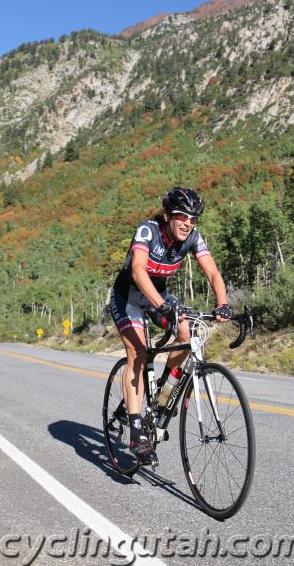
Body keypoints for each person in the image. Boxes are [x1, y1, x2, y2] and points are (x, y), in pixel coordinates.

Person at [110, 187, 233, 464]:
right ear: (168, 215)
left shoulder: (193, 238)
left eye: (193, 218)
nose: (188, 223)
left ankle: (163, 390)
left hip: (159, 296)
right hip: (128, 297)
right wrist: (161, 305)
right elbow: (138, 270)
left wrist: (222, 303)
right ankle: (137, 433)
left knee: (186, 332)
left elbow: (213, 272)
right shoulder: (148, 231)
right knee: (138, 354)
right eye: (182, 216)